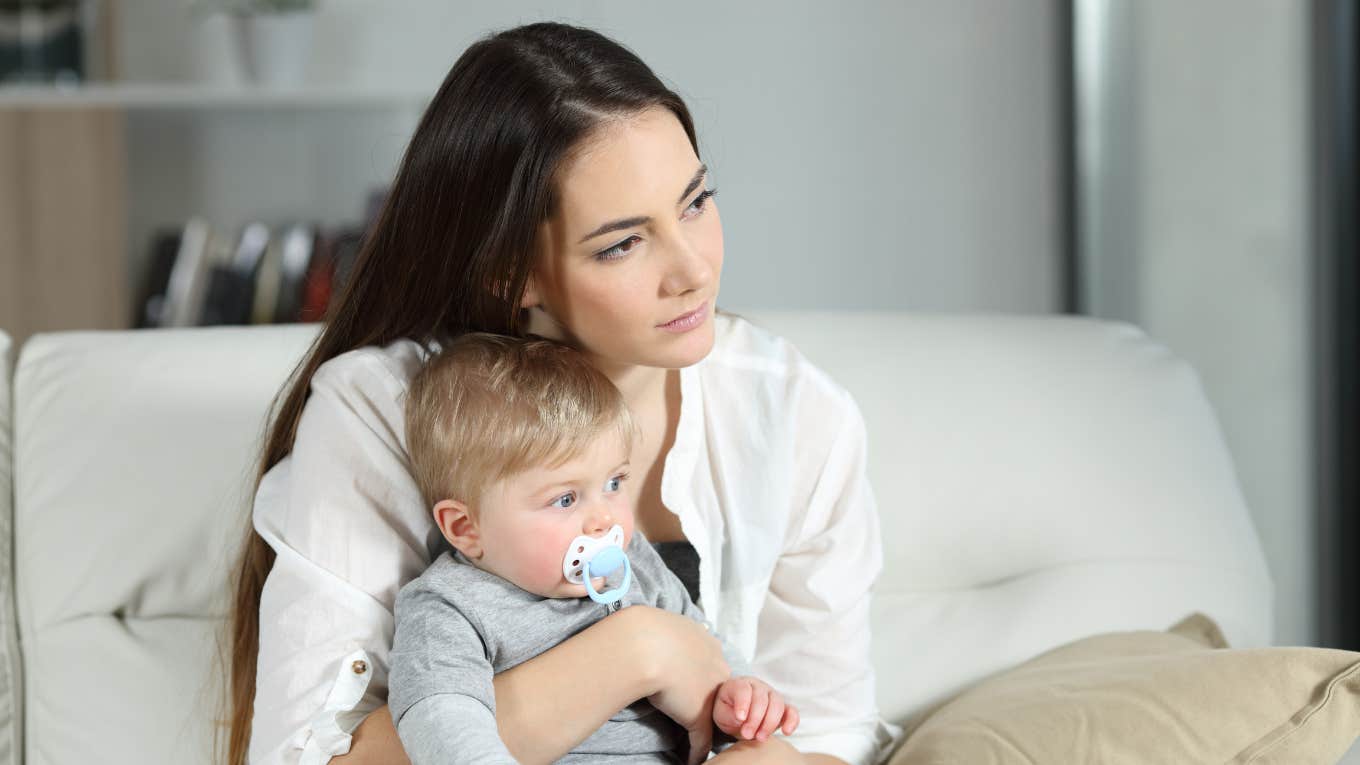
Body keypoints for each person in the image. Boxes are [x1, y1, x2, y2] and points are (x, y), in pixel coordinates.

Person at [223, 19, 901, 765]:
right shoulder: (382, 412)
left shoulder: (795, 414)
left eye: (696, 202)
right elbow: (303, 756)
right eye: (622, 243)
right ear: (510, 275)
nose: (692, 270)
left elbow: (832, 736)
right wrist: (638, 650)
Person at [390, 332, 799, 764]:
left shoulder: (634, 563)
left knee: (774, 756)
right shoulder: (449, 606)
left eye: (614, 483)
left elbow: (702, 644)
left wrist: (738, 695)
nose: (604, 519)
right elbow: (442, 718)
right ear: (465, 527)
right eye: (565, 499)